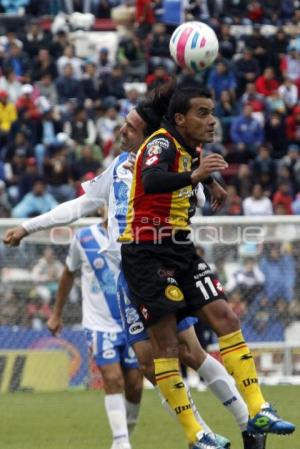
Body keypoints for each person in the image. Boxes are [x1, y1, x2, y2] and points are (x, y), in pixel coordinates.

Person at [4, 82, 266, 449]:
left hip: (159, 267)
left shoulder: (165, 159)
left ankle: (245, 424)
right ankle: (200, 432)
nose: (121, 131)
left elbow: (192, 176)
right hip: (129, 278)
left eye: (129, 126)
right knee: (149, 363)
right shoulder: (118, 168)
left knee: (188, 352)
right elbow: (77, 207)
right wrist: (27, 228)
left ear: (149, 133)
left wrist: (212, 181)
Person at [119, 86, 295, 448]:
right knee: (167, 345)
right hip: (145, 253)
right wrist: (197, 176)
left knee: (226, 318)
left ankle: (258, 408)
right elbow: (152, 181)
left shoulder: (188, 147)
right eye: (202, 112)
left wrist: (210, 181)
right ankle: (195, 433)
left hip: (181, 249)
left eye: (212, 111)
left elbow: (188, 167)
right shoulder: (161, 143)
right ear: (180, 119)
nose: (212, 119)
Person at [47, 221, 143, 449]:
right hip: (98, 324)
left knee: (135, 385)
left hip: (132, 321)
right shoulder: (83, 237)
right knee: (112, 379)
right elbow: (68, 273)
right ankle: (121, 442)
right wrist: (56, 314)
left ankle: (122, 438)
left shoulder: (136, 232)